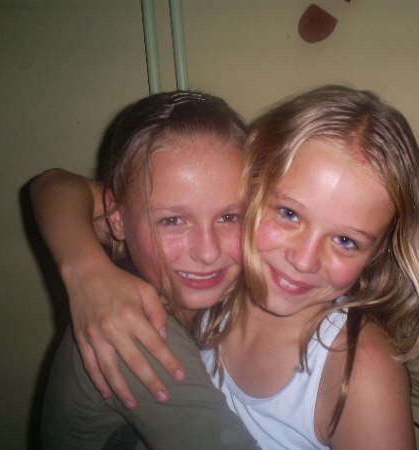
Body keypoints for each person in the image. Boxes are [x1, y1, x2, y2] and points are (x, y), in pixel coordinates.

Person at [35, 85, 419, 449]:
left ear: (378, 251)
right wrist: (86, 271)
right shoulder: (220, 279)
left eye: (345, 241)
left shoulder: (361, 372)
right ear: (254, 187)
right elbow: (54, 185)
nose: (303, 261)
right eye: (288, 213)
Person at [31, 91, 259, 449]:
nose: (208, 251)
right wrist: (84, 272)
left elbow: (54, 185)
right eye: (172, 220)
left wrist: (84, 266)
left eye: (230, 216)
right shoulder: (135, 332)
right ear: (116, 219)